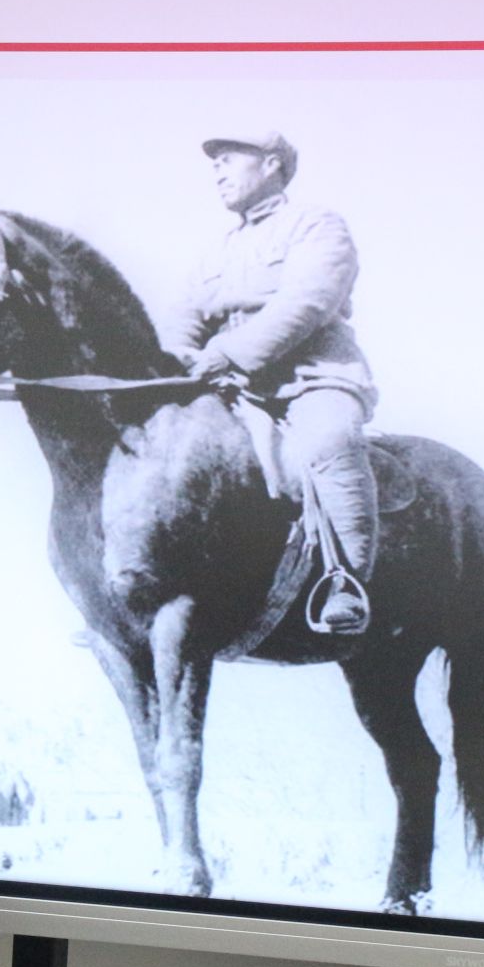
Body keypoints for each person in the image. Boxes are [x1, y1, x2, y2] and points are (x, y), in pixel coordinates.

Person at [159, 130, 379, 634]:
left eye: (228, 159)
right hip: (229, 387)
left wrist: (227, 353)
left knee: (330, 441)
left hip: (308, 380)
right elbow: (184, 315)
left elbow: (308, 302)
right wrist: (176, 357)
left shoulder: (316, 225)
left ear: (272, 164)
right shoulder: (216, 250)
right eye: (214, 163)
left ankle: (346, 581)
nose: (217, 170)